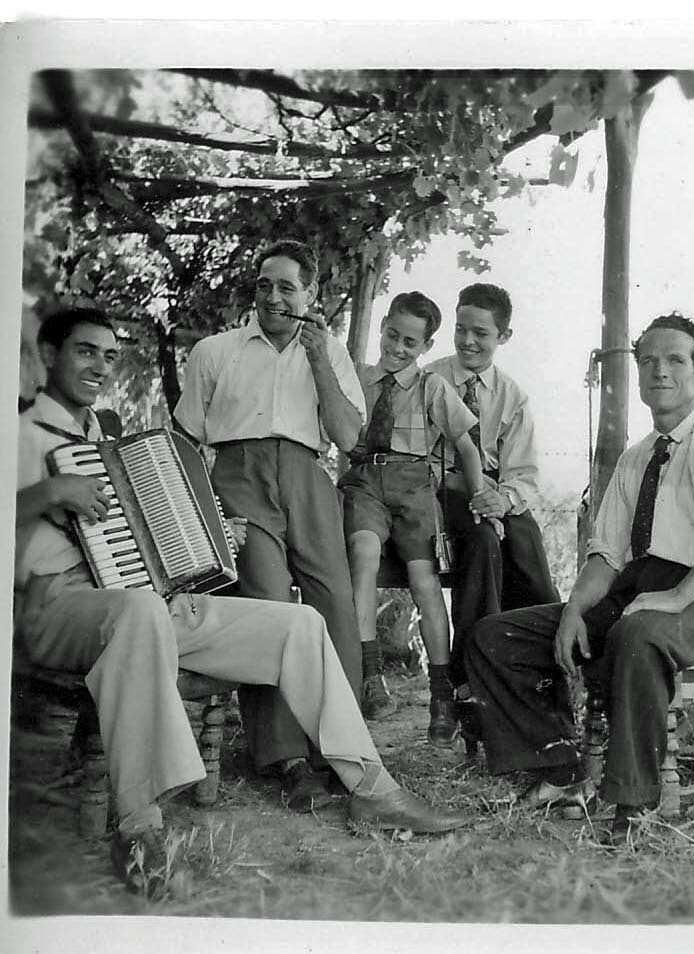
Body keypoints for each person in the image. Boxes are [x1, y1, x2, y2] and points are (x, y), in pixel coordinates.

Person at [15, 307, 469, 892]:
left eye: (108, 355)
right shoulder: (20, 435)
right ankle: (140, 827)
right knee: (141, 611)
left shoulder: (102, 438)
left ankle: (371, 788)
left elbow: (146, 536)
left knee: (298, 623)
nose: (100, 366)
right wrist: (46, 492)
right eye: (85, 352)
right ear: (49, 356)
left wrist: (210, 535)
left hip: (142, 602)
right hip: (55, 607)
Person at [464, 313, 694, 844]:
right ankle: (558, 771)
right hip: (638, 590)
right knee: (495, 636)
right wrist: (573, 612)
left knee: (638, 635)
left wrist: (679, 596)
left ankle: (634, 803)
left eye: (675, 359)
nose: (659, 371)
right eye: (647, 361)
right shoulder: (636, 459)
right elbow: (606, 556)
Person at [173, 240, 365, 813]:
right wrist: (206, 508)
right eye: (264, 285)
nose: (273, 297)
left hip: (308, 475)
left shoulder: (328, 350)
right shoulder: (216, 350)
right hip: (238, 478)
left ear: (311, 296)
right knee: (270, 604)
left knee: (334, 602)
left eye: (287, 287)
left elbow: (349, 438)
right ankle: (284, 759)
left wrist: (319, 360)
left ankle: (340, 752)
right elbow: (185, 436)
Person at [338, 291, 499, 745]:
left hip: (414, 487)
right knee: (364, 553)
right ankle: (370, 675)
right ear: (382, 327)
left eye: (410, 342)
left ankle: (441, 693)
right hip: (367, 480)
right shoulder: (359, 380)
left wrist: (479, 495)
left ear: (426, 346)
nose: (397, 348)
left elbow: (467, 446)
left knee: (424, 581)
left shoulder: (433, 387)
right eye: (392, 336)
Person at [425, 283, 560, 704]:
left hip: (489, 494)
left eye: (481, 333)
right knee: (482, 541)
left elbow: (523, 473)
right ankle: (470, 678)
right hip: (439, 493)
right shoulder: (429, 379)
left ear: (504, 337)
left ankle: (545, 670)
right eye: (461, 329)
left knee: (527, 546)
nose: (468, 341)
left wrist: (500, 500)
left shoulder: (511, 396)